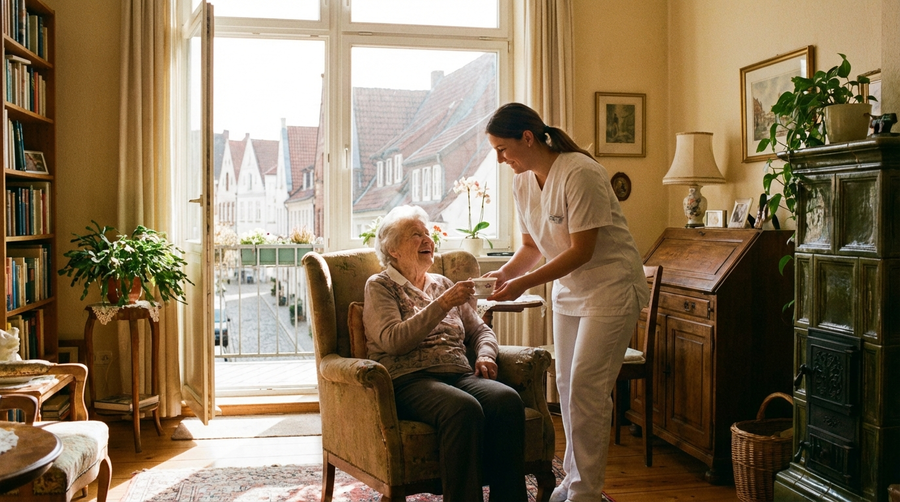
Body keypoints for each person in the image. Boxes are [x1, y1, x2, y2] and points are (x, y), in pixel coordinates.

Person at [484, 102, 649, 502]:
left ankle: (586, 493)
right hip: (569, 293)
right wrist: (506, 273)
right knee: (566, 385)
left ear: (527, 138)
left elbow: (582, 251)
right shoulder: (522, 182)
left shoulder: (581, 173)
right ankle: (574, 478)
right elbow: (530, 246)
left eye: (503, 149)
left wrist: (524, 283)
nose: (500, 159)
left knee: (587, 389)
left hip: (610, 288)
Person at [362, 204, 527, 502]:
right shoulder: (381, 286)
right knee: (462, 409)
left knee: (506, 401)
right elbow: (394, 341)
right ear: (393, 249)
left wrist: (486, 355)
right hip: (410, 380)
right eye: (416, 235)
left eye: (428, 233)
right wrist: (442, 305)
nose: (428, 240)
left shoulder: (444, 284)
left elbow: (480, 330)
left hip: (458, 372)